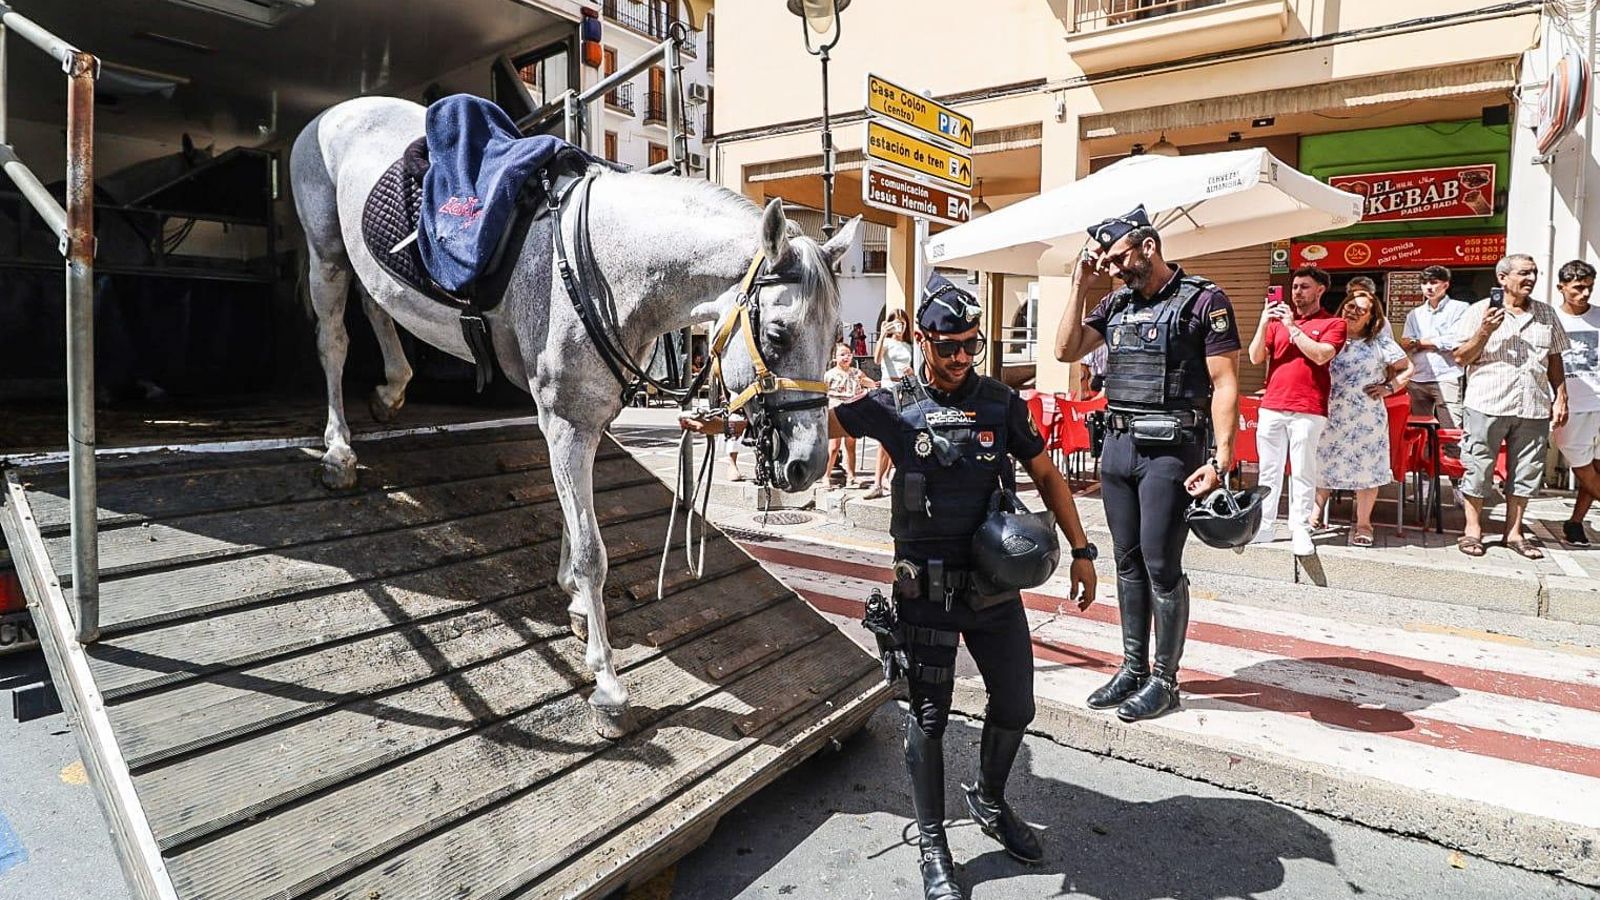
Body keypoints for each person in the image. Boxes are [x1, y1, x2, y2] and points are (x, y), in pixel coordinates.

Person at [684, 273, 1098, 900]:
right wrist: (730, 425)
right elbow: (820, 426)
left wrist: (1083, 551)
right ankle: (933, 842)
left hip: (992, 593)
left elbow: (1047, 475)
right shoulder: (892, 402)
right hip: (923, 594)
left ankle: (988, 799)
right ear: (923, 341)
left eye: (970, 344)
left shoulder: (999, 404)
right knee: (930, 717)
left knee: (1016, 705)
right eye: (947, 345)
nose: (960, 357)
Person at [1054, 204, 1241, 722]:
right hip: (1117, 449)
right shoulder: (1114, 304)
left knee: (1161, 564)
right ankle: (1133, 668)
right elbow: (1065, 349)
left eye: (1117, 259)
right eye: (1107, 263)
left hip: (1171, 452)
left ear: (1148, 246)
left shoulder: (1203, 301)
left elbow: (1226, 381)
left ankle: (1165, 679)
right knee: (1127, 561)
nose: (1112, 269)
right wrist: (1079, 284)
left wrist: (1223, 459)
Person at [1451, 253, 1570, 559]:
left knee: (1527, 471)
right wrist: (1484, 331)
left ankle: (1513, 533)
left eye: (1534, 273)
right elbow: (1461, 357)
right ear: (1502, 278)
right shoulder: (1479, 312)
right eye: (1523, 273)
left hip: (1532, 404)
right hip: (1487, 401)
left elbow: (1555, 358)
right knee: (1479, 467)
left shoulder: (1546, 314)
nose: (1530, 279)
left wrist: (1561, 396)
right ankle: (1472, 531)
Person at [1248, 264, 1347, 556]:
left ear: (1320, 290)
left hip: (1308, 407)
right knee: (1268, 470)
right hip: (1273, 405)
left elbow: (1321, 355)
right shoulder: (1276, 323)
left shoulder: (1333, 323)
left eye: (1304, 287)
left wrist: (1292, 327)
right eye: (1294, 287)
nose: (1297, 292)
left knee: (1303, 470)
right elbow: (1255, 358)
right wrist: (1264, 322)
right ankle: (1264, 525)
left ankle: (1300, 528)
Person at [1312, 290, 1413, 547]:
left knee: (1366, 471)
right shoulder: (1331, 335)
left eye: (1361, 309)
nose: (1353, 311)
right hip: (1331, 414)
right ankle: (1313, 517)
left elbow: (1407, 367)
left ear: (1371, 317)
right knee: (1322, 465)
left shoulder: (1379, 341)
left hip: (1366, 417)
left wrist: (1389, 388)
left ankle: (1364, 524)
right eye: (1349, 305)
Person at [1551, 260, 1600, 545]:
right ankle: (1574, 523)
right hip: (1571, 407)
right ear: (1562, 287)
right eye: (1578, 288)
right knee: (1582, 466)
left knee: (1596, 469)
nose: (1584, 294)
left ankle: (1575, 522)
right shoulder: (1551, 318)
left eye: (1589, 288)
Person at [1400, 265, 1469, 430]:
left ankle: (1452, 456)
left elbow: (1456, 340)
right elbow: (1405, 342)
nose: (1428, 287)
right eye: (1424, 283)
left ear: (1445, 285)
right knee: (1419, 430)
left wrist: (1419, 342)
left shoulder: (1460, 308)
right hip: (1418, 376)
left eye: (1433, 282)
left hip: (1447, 375)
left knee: (1451, 427)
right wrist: (1434, 342)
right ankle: (1423, 457)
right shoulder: (1415, 313)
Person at [866, 308, 914, 499]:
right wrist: (883, 334)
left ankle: (885, 477)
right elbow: (877, 359)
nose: (899, 327)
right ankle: (877, 481)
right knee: (883, 439)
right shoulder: (886, 342)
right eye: (896, 323)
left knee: (896, 436)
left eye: (902, 323)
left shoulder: (909, 345)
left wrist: (911, 371)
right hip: (888, 388)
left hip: (904, 389)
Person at [825, 342, 877, 487]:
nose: (846, 357)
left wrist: (870, 386)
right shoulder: (829, 375)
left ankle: (851, 476)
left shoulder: (856, 372)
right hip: (835, 410)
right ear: (835, 358)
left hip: (853, 409)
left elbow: (870, 383)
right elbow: (823, 392)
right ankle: (826, 476)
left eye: (848, 354)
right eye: (842, 354)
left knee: (851, 445)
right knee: (834, 446)